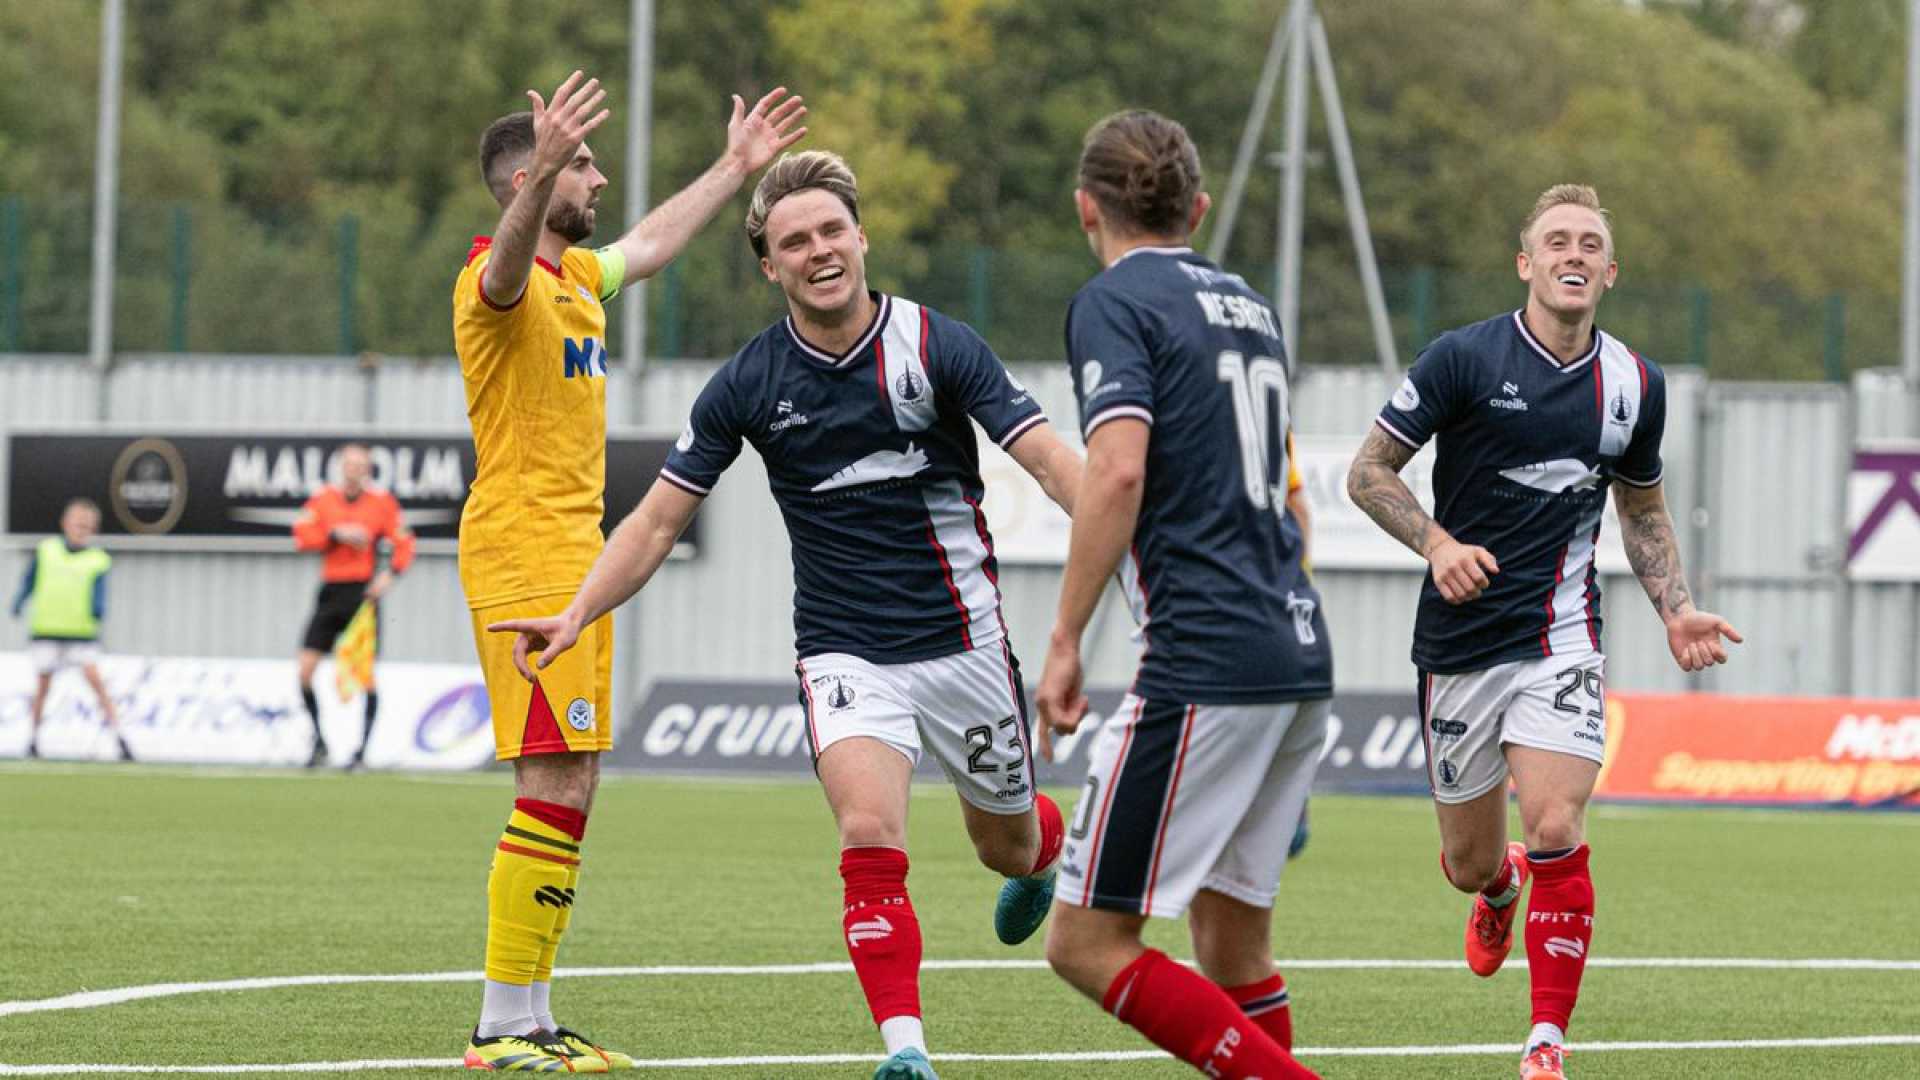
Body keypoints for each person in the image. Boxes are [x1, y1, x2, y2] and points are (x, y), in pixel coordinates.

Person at [490, 149, 1084, 1080]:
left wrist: (1131, 540)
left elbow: (1051, 461)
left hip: (966, 644)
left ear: (862, 238)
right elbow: (652, 524)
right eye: (794, 241)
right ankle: (906, 1050)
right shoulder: (747, 385)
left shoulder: (939, 346)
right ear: (769, 265)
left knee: (1001, 845)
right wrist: (573, 615)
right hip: (845, 651)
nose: (819, 251)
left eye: (832, 232)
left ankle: (1044, 848)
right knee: (867, 831)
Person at [1345, 183, 1742, 1080]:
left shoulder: (1635, 384)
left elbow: (1641, 507)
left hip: (1563, 636)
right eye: (1555, 240)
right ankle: (1498, 888)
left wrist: (1676, 609)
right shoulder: (1461, 359)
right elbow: (1368, 471)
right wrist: (1437, 541)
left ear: (1609, 270)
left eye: (1589, 243)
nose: (1573, 253)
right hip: (1457, 647)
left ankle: (1546, 1043)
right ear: (1527, 263)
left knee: (1557, 819)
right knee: (1466, 860)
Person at [452, 69, 806, 1074]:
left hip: (578, 558)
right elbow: (508, 263)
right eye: (582, 164)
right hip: (524, 557)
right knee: (551, 778)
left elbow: (646, 244)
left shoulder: (578, 280)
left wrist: (733, 170)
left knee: (575, 780)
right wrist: (547, 171)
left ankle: (528, 1014)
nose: (598, 178)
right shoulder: (496, 276)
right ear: (531, 175)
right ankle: (502, 1026)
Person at [1034, 109, 1329, 1080]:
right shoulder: (1251, 306)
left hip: (1206, 657)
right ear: (1197, 205)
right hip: (1295, 641)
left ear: (1087, 208)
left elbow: (1116, 473)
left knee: (1083, 940)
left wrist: (1068, 635)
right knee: (1230, 939)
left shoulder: (1113, 303)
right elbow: (1294, 499)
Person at [291, 443, 414, 769]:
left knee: (365, 674)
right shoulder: (323, 500)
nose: (354, 470)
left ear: (368, 470)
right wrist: (335, 534)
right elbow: (302, 536)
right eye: (349, 464)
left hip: (362, 596)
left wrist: (390, 574)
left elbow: (404, 542)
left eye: (361, 465)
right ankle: (319, 743)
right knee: (305, 670)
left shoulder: (381, 503)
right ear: (341, 467)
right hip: (331, 591)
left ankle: (361, 753)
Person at [11, 498, 126, 761]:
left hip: (81, 635)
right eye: (77, 523)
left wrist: (98, 609)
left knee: (97, 683)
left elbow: (99, 593)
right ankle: (33, 739)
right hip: (47, 631)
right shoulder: (47, 550)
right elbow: (29, 581)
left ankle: (119, 738)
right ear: (65, 524)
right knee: (43, 687)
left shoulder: (98, 560)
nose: (81, 529)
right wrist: (19, 601)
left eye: (87, 525)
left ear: (93, 529)